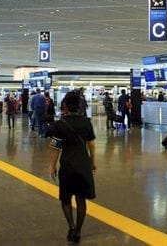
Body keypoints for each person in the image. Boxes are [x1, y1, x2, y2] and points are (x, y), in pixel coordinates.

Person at [48, 91, 96, 244]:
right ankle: (79, 231)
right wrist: (93, 162)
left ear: (66, 106)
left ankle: (71, 227)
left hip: (67, 165)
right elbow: (92, 144)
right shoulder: (86, 122)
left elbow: (56, 147)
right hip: (83, 165)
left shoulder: (60, 124)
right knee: (81, 200)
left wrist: (52, 166)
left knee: (66, 198)